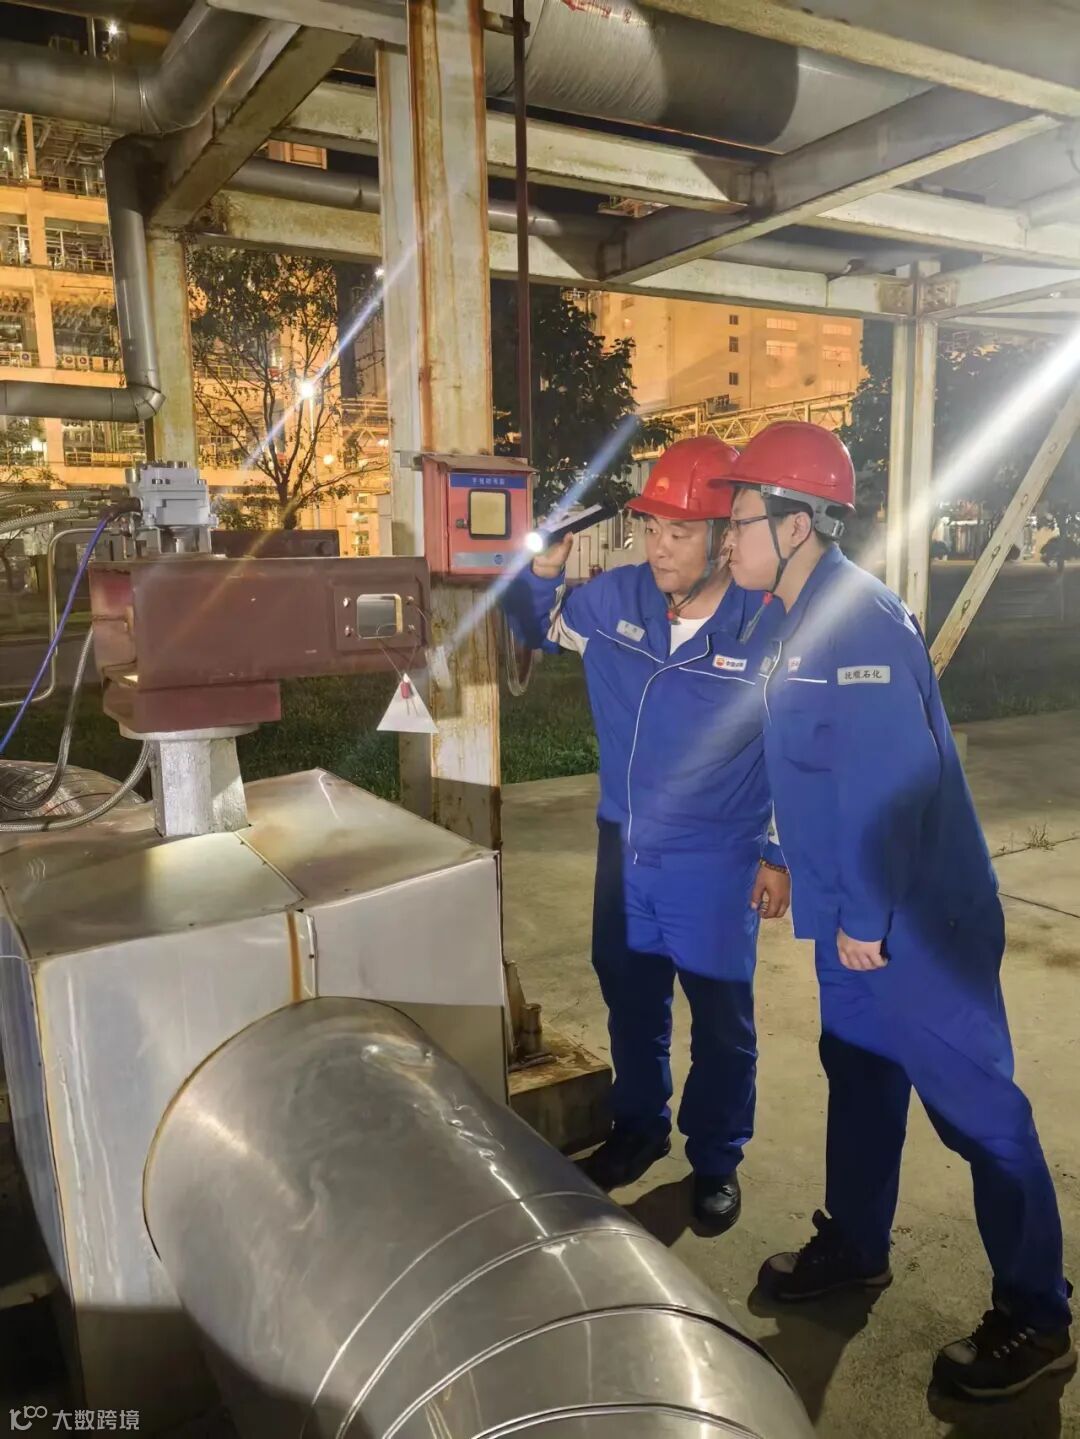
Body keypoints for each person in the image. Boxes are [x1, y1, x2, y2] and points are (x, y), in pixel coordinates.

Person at [725, 420, 1074, 1399]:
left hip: (916, 923)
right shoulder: (795, 616)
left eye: (740, 520)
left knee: (980, 1114)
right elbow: (814, 759)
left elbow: (893, 779)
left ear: (797, 524)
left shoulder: (862, 620)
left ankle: (1039, 1315)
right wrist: (784, 854)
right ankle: (858, 1243)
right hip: (857, 914)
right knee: (862, 1076)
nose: (727, 539)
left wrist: (868, 916)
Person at [505, 436, 790, 1233]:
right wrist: (541, 570)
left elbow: (799, 744)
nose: (658, 546)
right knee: (630, 996)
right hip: (625, 844)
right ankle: (638, 1126)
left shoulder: (765, 624)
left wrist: (778, 851)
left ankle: (717, 1158)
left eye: (679, 531)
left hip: (718, 855)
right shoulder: (615, 599)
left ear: (724, 537)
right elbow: (537, 627)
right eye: (650, 527)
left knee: (722, 1022)